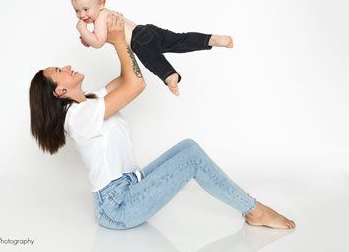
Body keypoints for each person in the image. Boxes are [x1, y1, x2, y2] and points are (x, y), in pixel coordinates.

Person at [29, 13, 296, 230]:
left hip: (131, 184)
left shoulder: (90, 100)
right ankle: (255, 210)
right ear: (59, 91)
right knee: (192, 160)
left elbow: (126, 77)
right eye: (59, 72)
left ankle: (254, 210)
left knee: (188, 147)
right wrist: (120, 41)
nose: (66, 66)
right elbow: (136, 84)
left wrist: (114, 39)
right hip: (117, 206)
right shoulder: (77, 117)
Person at [71, 0, 234, 96]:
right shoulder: (104, 13)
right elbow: (96, 38)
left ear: (101, 4)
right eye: (77, 11)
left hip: (139, 40)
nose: (82, 15)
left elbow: (98, 42)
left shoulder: (100, 17)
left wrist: (83, 31)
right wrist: (87, 38)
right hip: (147, 30)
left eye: (86, 9)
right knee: (179, 40)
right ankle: (212, 39)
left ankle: (170, 75)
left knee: (153, 59)